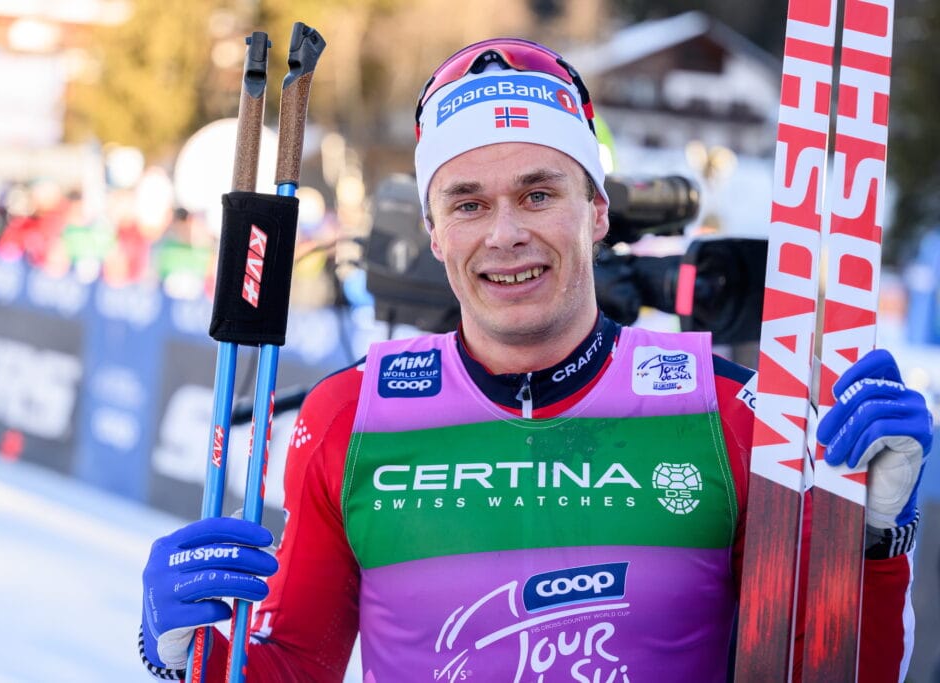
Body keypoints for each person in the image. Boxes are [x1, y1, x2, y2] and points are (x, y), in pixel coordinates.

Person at [139, 38, 933, 682]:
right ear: (435, 232)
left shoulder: (725, 411)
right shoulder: (350, 417)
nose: (505, 232)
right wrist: (183, 653)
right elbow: (290, 667)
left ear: (595, 212)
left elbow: (824, 669)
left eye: (538, 193)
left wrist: (872, 542)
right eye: (469, 203)